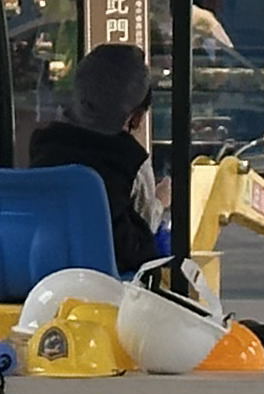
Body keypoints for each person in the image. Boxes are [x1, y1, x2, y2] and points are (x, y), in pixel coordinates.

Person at [26, 41, 170, 276]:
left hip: (41, 271)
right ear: (137, 117)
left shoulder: (44, 144)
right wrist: (161, 202)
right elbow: (145, 229)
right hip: (105, 281)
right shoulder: (132, 160)